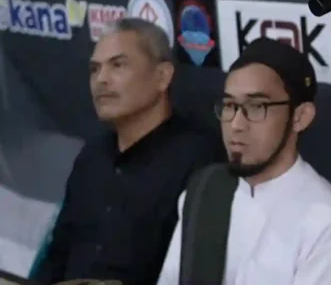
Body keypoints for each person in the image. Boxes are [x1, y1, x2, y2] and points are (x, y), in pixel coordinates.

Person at [156, 37, 331, 285]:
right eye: (229, 105)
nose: (236, 124)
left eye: (257, 106)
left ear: (300, 117)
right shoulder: (206, 191)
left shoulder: (329, 223)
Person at [34, 18, 224, 285]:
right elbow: (57, 255)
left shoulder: (200, 160)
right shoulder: (91, 157)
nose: (101, 80)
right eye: (94, 69)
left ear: (162, 76)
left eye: (118, 65)